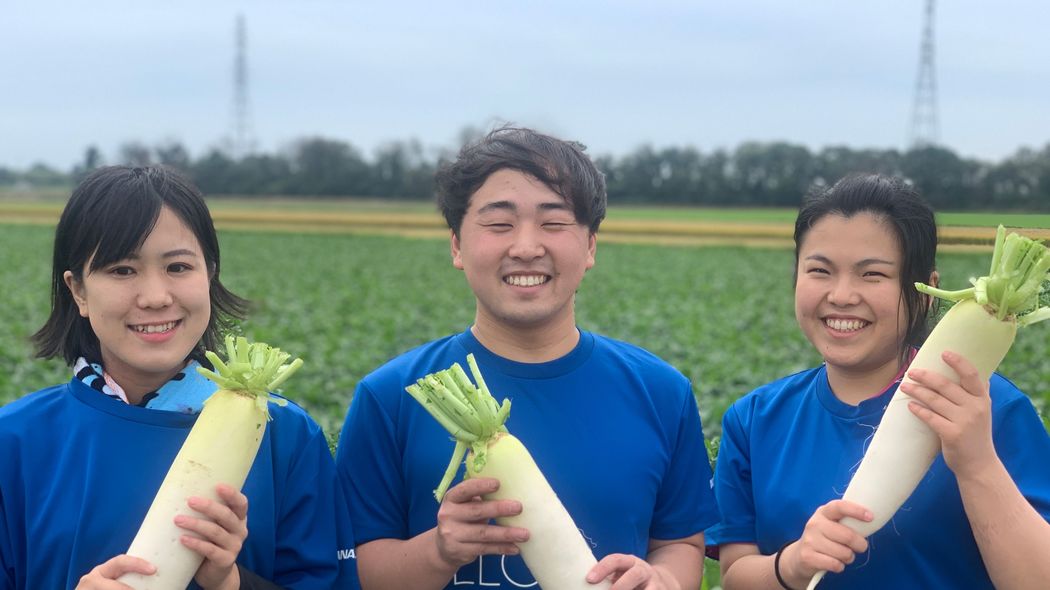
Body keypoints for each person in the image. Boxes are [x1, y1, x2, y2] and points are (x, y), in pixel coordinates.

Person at [336, 126, 719, 590]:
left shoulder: (661, 392)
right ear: (457, 244)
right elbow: (357, 568)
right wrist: (438, 550)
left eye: (554, 223)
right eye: (499, 224)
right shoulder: (392, 397)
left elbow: (679, 543)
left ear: (590, 245)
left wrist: (662, 580)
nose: (526, 247)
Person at [0, 166, 354, 589]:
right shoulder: (14, 442)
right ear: (78, 291)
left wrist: (230, 582)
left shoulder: (286, 435)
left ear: (210, 274)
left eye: (179, 267)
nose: (155, 297)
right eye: (122, 271)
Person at [707, 174, 1050, 589]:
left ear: (927, 291)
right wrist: (792, 564)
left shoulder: (991, 409)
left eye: (872, 275)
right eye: (820, 270)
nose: (842, 295)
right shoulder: (755, 419)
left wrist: (977, 464)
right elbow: (734, 577)